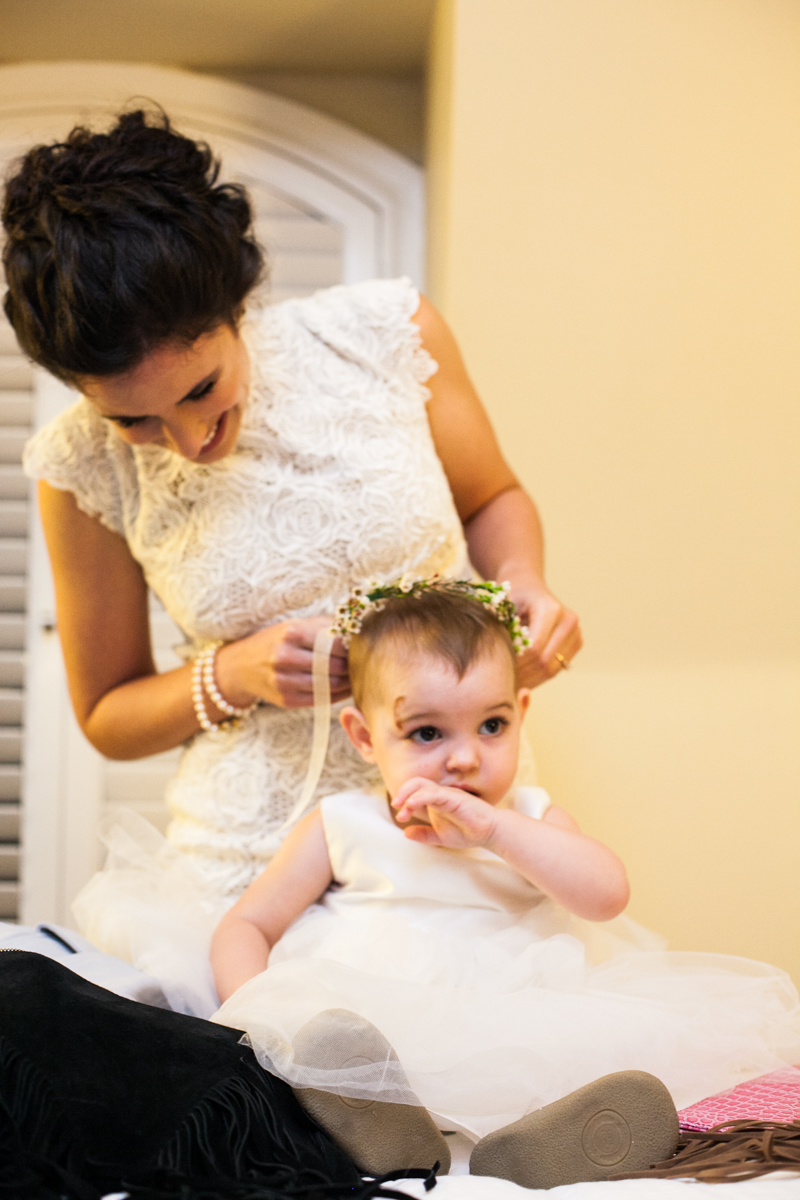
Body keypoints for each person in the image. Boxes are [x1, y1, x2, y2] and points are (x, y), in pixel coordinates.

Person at [2, 110, 580, 987]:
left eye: (201, 387)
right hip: (244, 870)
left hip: (455, 843)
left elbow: (493, 497)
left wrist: (525, 585)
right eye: (134, 419)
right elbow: (108, 713)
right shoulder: (78, 469)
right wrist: (231, 674)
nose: (188, 437)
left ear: (235, 304)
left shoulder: (388, 337)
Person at [209, 581, 800, 1186]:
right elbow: (248, 923)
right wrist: (256, 1014)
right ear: (363, 735)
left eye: (491, 725)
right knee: (331, 1052)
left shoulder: (530, 818)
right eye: (427, 734)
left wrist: (496, 830)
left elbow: (606, 895)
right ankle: (384, 1126)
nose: (465, 759)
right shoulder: (341, 824)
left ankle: (537, 1140)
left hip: (519, 1004)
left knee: (568, 1052)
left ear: (521, 712)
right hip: (381, 1013)